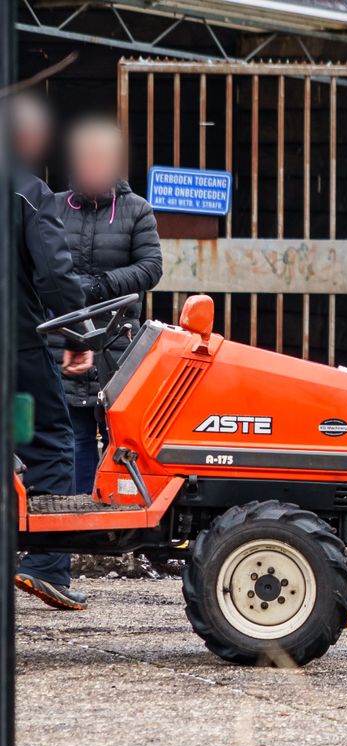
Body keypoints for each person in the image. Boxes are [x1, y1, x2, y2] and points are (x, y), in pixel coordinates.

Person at [9, 94, 94, 610]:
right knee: (51, 439)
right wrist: (80, 335)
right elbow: (57, 276)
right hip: (16, 342)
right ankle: (45, 567)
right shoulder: (28, 192)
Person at [50, 117, 162, 493]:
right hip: (66, 339)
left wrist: (100, 285)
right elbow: (38, 267)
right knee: (75, 434)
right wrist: (67, 289)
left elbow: (151, 268)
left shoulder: (138, 210)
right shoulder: (51, 208)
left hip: (120, 343)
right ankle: (79, 513)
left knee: (122, 434)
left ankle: (117, 515)